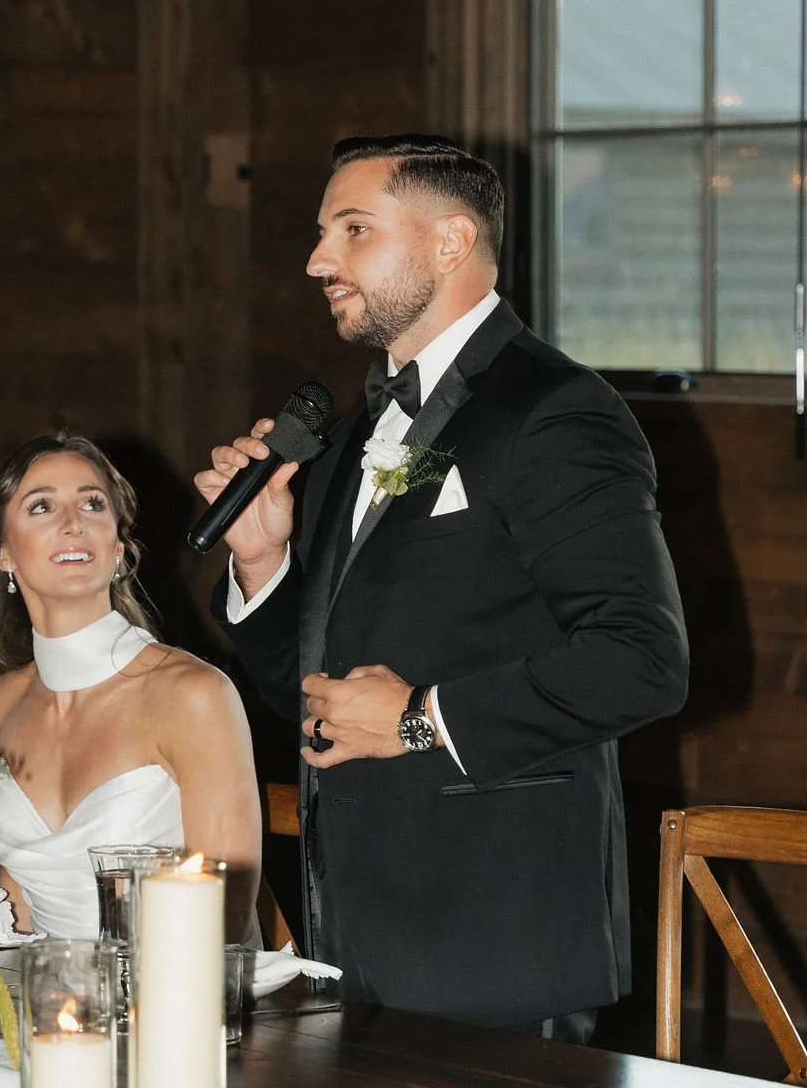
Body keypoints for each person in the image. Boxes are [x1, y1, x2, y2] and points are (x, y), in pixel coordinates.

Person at [195, 133, 689, 1038]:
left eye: (353, 231)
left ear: (451, 242)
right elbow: (321, 704)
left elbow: (642, 661)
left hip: (498, 943)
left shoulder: (554, 411)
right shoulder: (346, 439)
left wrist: (423, 717)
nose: (317, 261)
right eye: (320, 234)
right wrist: (263, 564)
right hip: (355, 943)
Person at [0, 432, 261, 942]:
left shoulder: (192, 693)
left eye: (92, 503)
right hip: (44, 1002)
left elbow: (229, 916)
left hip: (177, 998)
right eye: (41, 506)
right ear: (3, 553)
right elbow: (15, 900)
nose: (73, 523)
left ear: (119, 547)